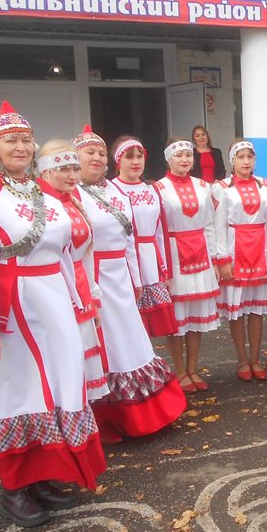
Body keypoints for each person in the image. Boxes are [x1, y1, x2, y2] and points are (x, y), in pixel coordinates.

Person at [0, 102, 105, 527]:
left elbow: (67, 253)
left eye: (24, 140)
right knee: (18, 392)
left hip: (54, 300)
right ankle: (15, 488)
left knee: (56, 387)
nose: (19, 147)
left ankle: (42, 476)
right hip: (13, 307)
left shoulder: (41, 191)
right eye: (9, 140)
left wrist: (80, 303)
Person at [73, 125, 186, 442]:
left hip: (120, 274)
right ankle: (104, 419)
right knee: (101, 347)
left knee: (131, 342)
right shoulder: (71, 195)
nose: (95, 158)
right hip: (90, 276)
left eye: (98, 153)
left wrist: (137, 281)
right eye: (88, 153)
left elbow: (131, 240)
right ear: (75, 158)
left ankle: (143, 415)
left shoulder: (115, 192)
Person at [37, 140, 109, 402]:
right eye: (64, 169)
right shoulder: (41, 204)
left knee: (82, 357)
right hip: (56, 291)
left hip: (80, 289)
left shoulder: (74, 201)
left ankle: (84, 422)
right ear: (45, 171)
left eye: (74, 169)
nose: (73, 176)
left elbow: (87, 252)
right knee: (62, 360)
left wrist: (92, 297)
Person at [153, 138, 221, 391]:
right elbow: (157, 228)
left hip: (200, 251)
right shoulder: (159, 189)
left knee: (195, 316)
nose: (185, 160)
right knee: (177, 317)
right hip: (174, 253)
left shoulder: (204, 186)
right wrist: (161, 265)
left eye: (188, 155)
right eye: (179, 155)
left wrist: (214, 258)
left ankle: (193, 368)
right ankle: (179, 370)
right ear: (169, 159)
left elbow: (211, 224)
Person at [211, 139, 267, 381]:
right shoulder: (222, 187)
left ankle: (256, 358)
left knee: (256, 309)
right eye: (240, 157)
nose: (246, 162)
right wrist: (222, 258)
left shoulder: (266, 186)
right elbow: (218, 225)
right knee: (237, 310)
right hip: (235, 248)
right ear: (232, 160)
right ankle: (242, 359)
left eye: (249, 157)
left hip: (260, 249)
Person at [110, 135, 177, 338]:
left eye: (140, 156)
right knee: (128, 322)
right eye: (129, 157)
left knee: (152, 325)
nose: (136, 161)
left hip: (151, 262)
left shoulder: (152, 189)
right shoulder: (111, 190)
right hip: (125, 262)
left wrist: (165, 272)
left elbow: (160, 232)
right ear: (118, 161)